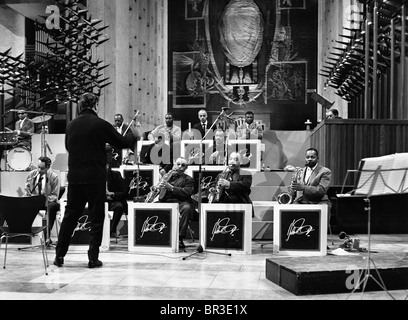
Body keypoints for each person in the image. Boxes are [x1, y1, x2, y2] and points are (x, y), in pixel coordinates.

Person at [54, 92, 137, 269]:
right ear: (95, 105)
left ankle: (59, 255)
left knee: (70, 217)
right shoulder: (100, 124)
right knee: (96, 218)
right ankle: (93, 258)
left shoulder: (71, 125)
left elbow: (69, 147)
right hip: (95, 178)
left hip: (75, 177)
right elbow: (122, 142)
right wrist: (134, 132)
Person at [156, 157, 195, 249]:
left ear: (186, 168)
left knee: (187, 208)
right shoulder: (167, 176)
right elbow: (159, 191)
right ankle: (156, 235)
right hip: (166, 201)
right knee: (151, 207)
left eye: (183, 165)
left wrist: (171, 188)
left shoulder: (189, 179)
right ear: (174, 165)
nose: (180, 167)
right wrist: (157, 188)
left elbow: (186, 192)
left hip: (181, 202)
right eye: (178, 164)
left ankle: (179, 238)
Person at [24, 156, 61, 245]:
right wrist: (28, 193)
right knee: (21, 204)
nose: (39, 170)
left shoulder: (54, 177)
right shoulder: (31, 175)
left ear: (48, 167)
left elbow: (55, 196)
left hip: (47, 202)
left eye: (42, 168)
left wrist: (41, 199)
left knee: (52, 206)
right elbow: (27, 191)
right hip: (34, 201)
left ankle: (46, 236)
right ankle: (24, 233)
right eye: (38, 167)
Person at [105, 147, 128, 237]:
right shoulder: (94, 176)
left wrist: (111, 194)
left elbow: (124, 192)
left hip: (112, 200)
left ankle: (111, 230)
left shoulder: (116, 175)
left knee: (119, 206)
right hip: (99, 201)